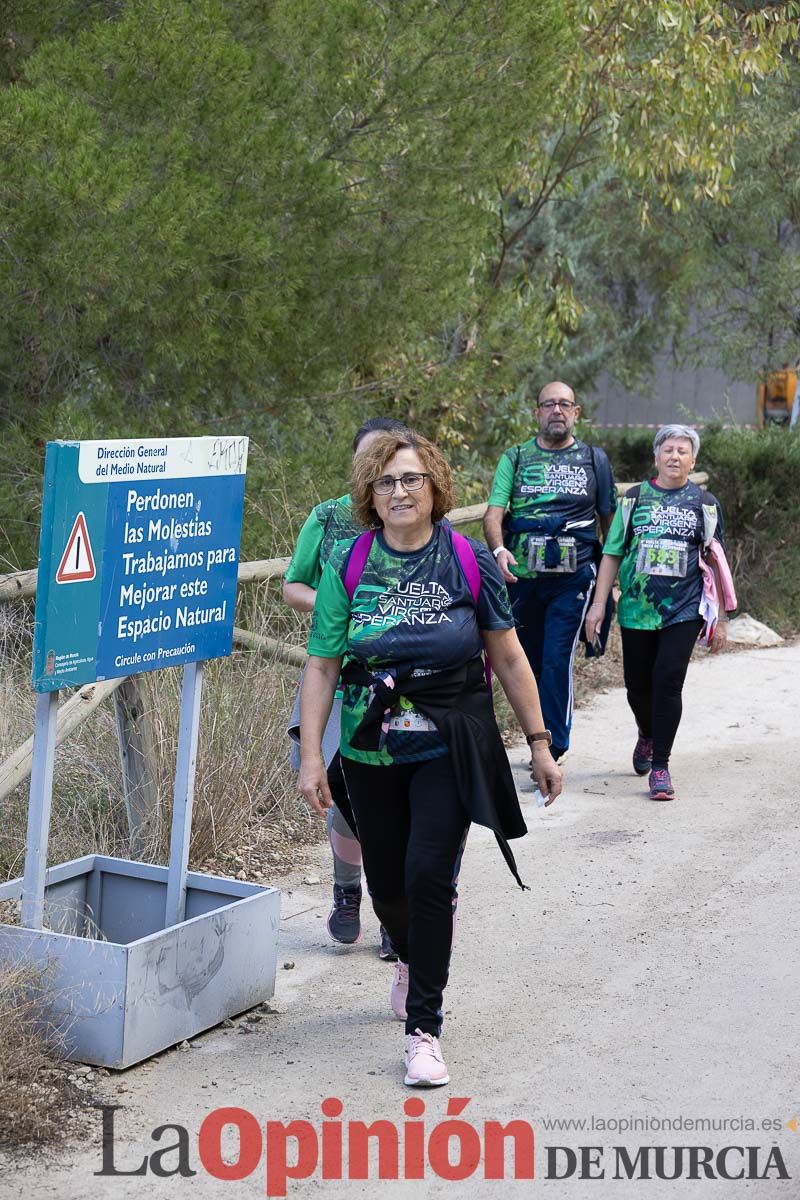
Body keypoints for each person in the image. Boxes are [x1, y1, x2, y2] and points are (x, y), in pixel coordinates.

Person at [298, 430, 562, 1087]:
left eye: (411, 479)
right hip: (369, 748)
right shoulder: (350, 565)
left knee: (428, 875)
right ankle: (410, 956)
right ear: (369, 493)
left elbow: (505, 654)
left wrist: (538, 743)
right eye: (386, 482)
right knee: (388, 886)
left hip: (450, 742)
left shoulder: (467, 560)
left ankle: (425, 1030)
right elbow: (323, 663)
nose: (399, 492)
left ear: (435, 486)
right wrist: (310, 755)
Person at [284, 416, 407, 956]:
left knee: (397, 799)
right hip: (334, 678)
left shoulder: (417, 519)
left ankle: (392, 910)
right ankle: (347, 890)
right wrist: (340, 610)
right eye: (370, 459)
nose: (382, 472)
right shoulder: (329, 517)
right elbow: (293, 586)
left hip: (401, 684)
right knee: (340, 791)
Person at [585, 424, 731, 802]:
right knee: (637, 687)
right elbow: (612, 552)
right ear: (656, 457)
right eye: (668, 450)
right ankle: (646, 734)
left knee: (668, 681)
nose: (675, 456)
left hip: (684, 609)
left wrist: (723, 618)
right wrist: (599, 604)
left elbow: (717, 562)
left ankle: (661, 766)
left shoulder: (705, 503)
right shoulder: (634, 500)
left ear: (693, 460)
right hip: (636, 608)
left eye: (683, 451)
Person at [483, 381, 617, 761]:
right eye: (549, 404)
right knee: (529, 662)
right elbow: (494, 514)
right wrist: (498, 549)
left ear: (576, 412)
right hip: (522, 579)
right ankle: (537, 738)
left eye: (565, 404)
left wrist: (609, 590)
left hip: (573, 580)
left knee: (558, 659)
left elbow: (610, 525)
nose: (557, 410)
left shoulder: (595, 460)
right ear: (537, 413)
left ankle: (553, 744)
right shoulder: (516, 457)